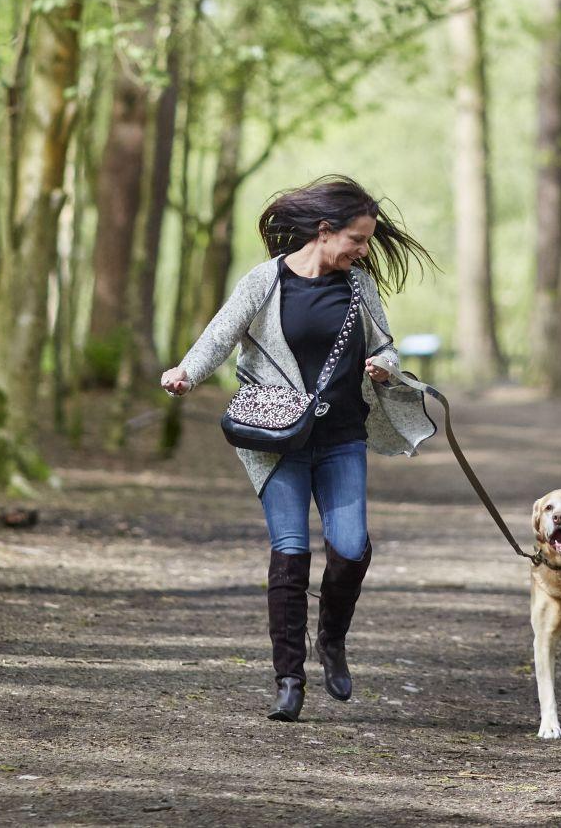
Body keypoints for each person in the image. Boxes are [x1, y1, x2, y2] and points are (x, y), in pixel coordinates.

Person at [161, 175, 436, 721]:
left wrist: (384, 365)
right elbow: (222, 331)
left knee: (351, 548)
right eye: (357, 239)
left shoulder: (358, 287)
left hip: (341, 438)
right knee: (290, 553)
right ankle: (289, 679)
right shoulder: (265, 281)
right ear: (325, 230)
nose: (362, 251)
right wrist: (187, 371)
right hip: (278, 438)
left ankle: (330, 640)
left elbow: (384, 344)